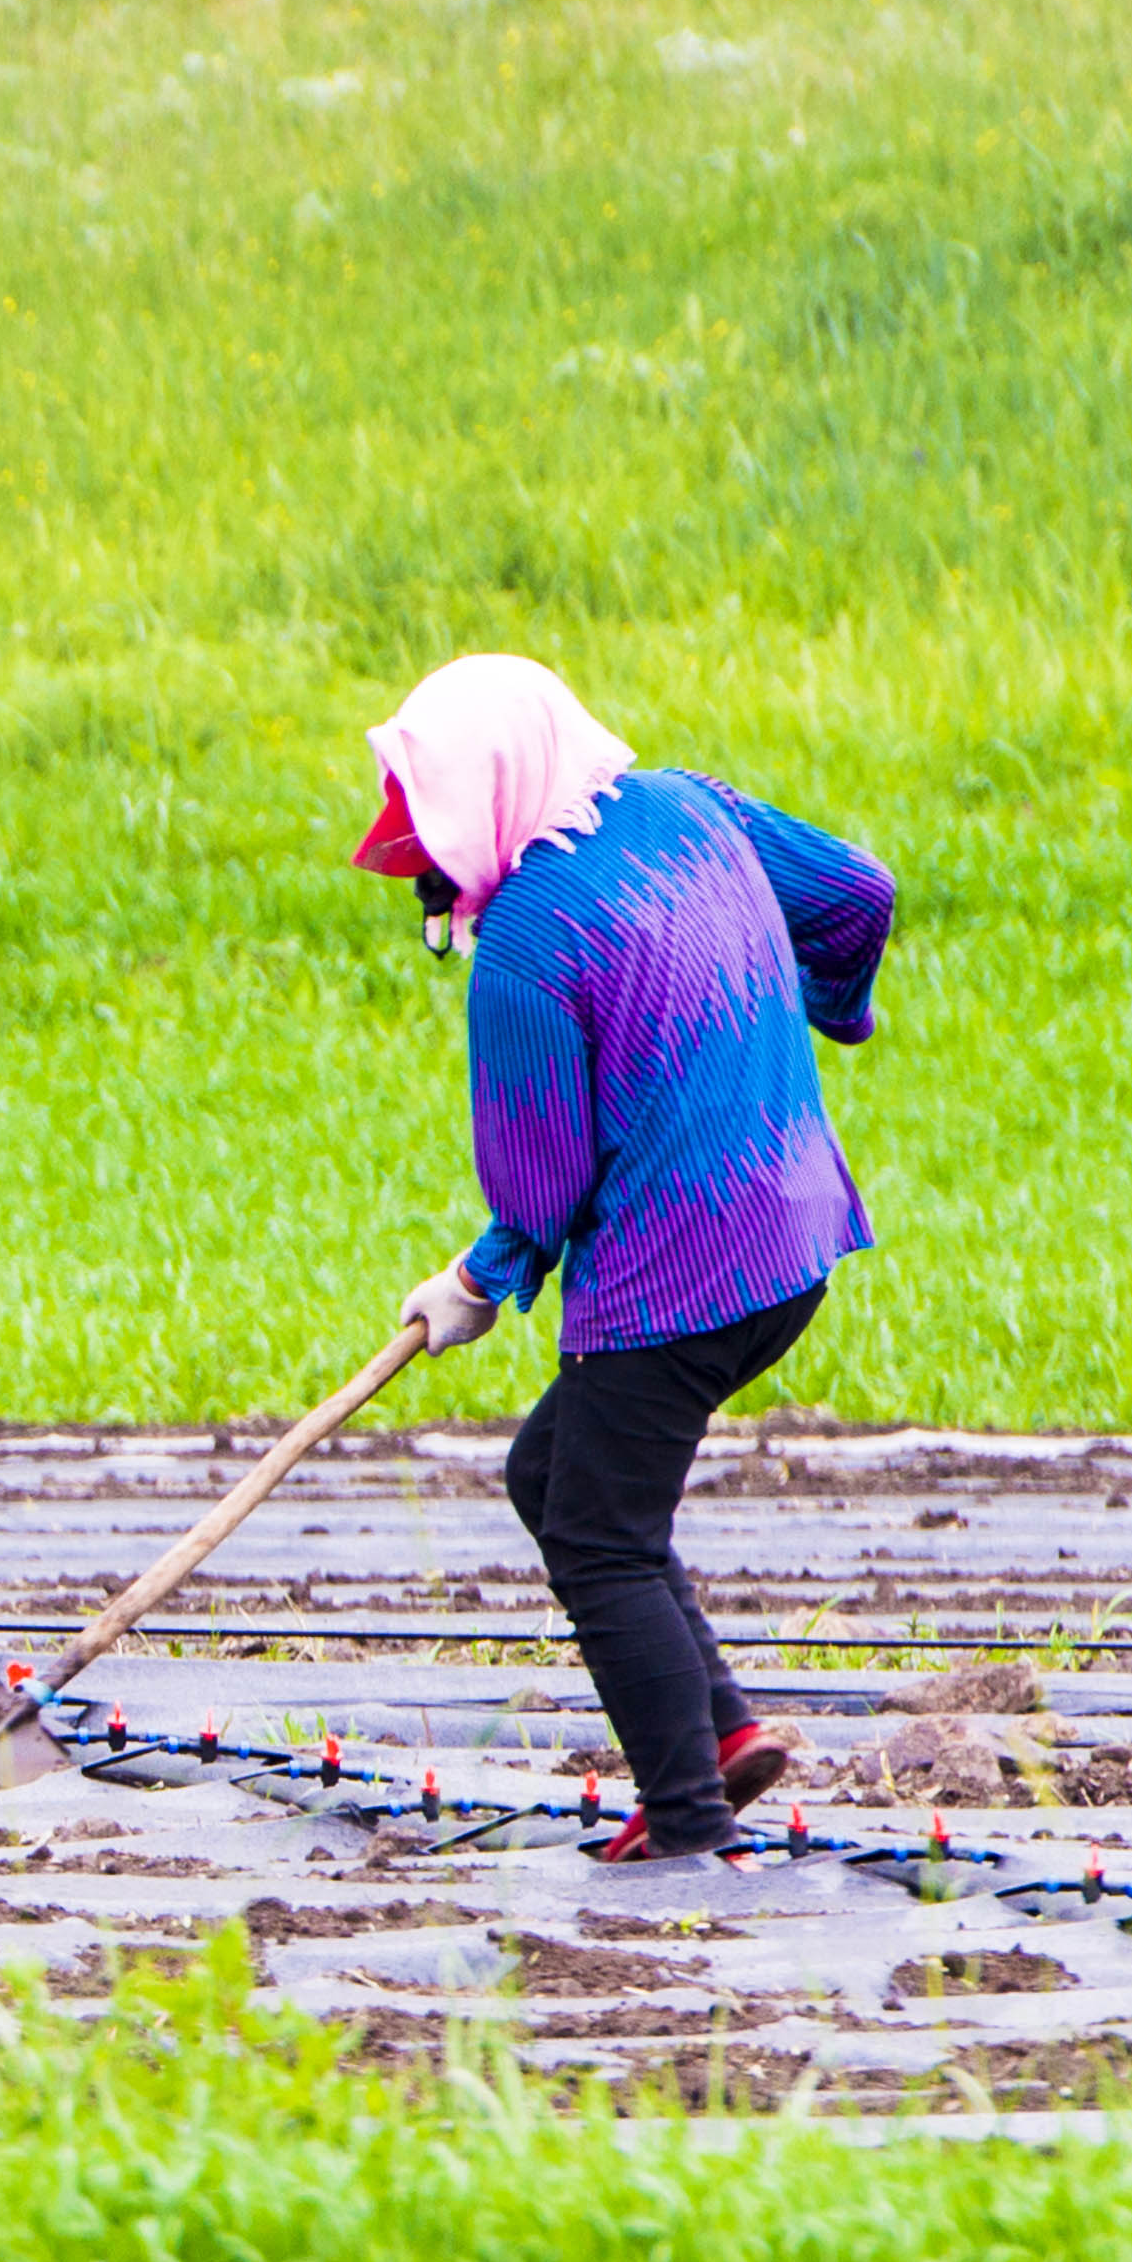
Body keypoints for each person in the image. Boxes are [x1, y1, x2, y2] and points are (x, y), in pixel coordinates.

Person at [350, 652, 898, 1862]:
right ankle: (721, 1732)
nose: (442, 894)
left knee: (596, 1532)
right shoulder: (690, 807)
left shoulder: (526, 942)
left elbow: (541, 1182)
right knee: (555, 1473)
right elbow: (858, 893)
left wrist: (477, 1282)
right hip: (795, 1234)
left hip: (678, 1276)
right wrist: (828, 1006)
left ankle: (689, 1823)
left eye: (436, 866)